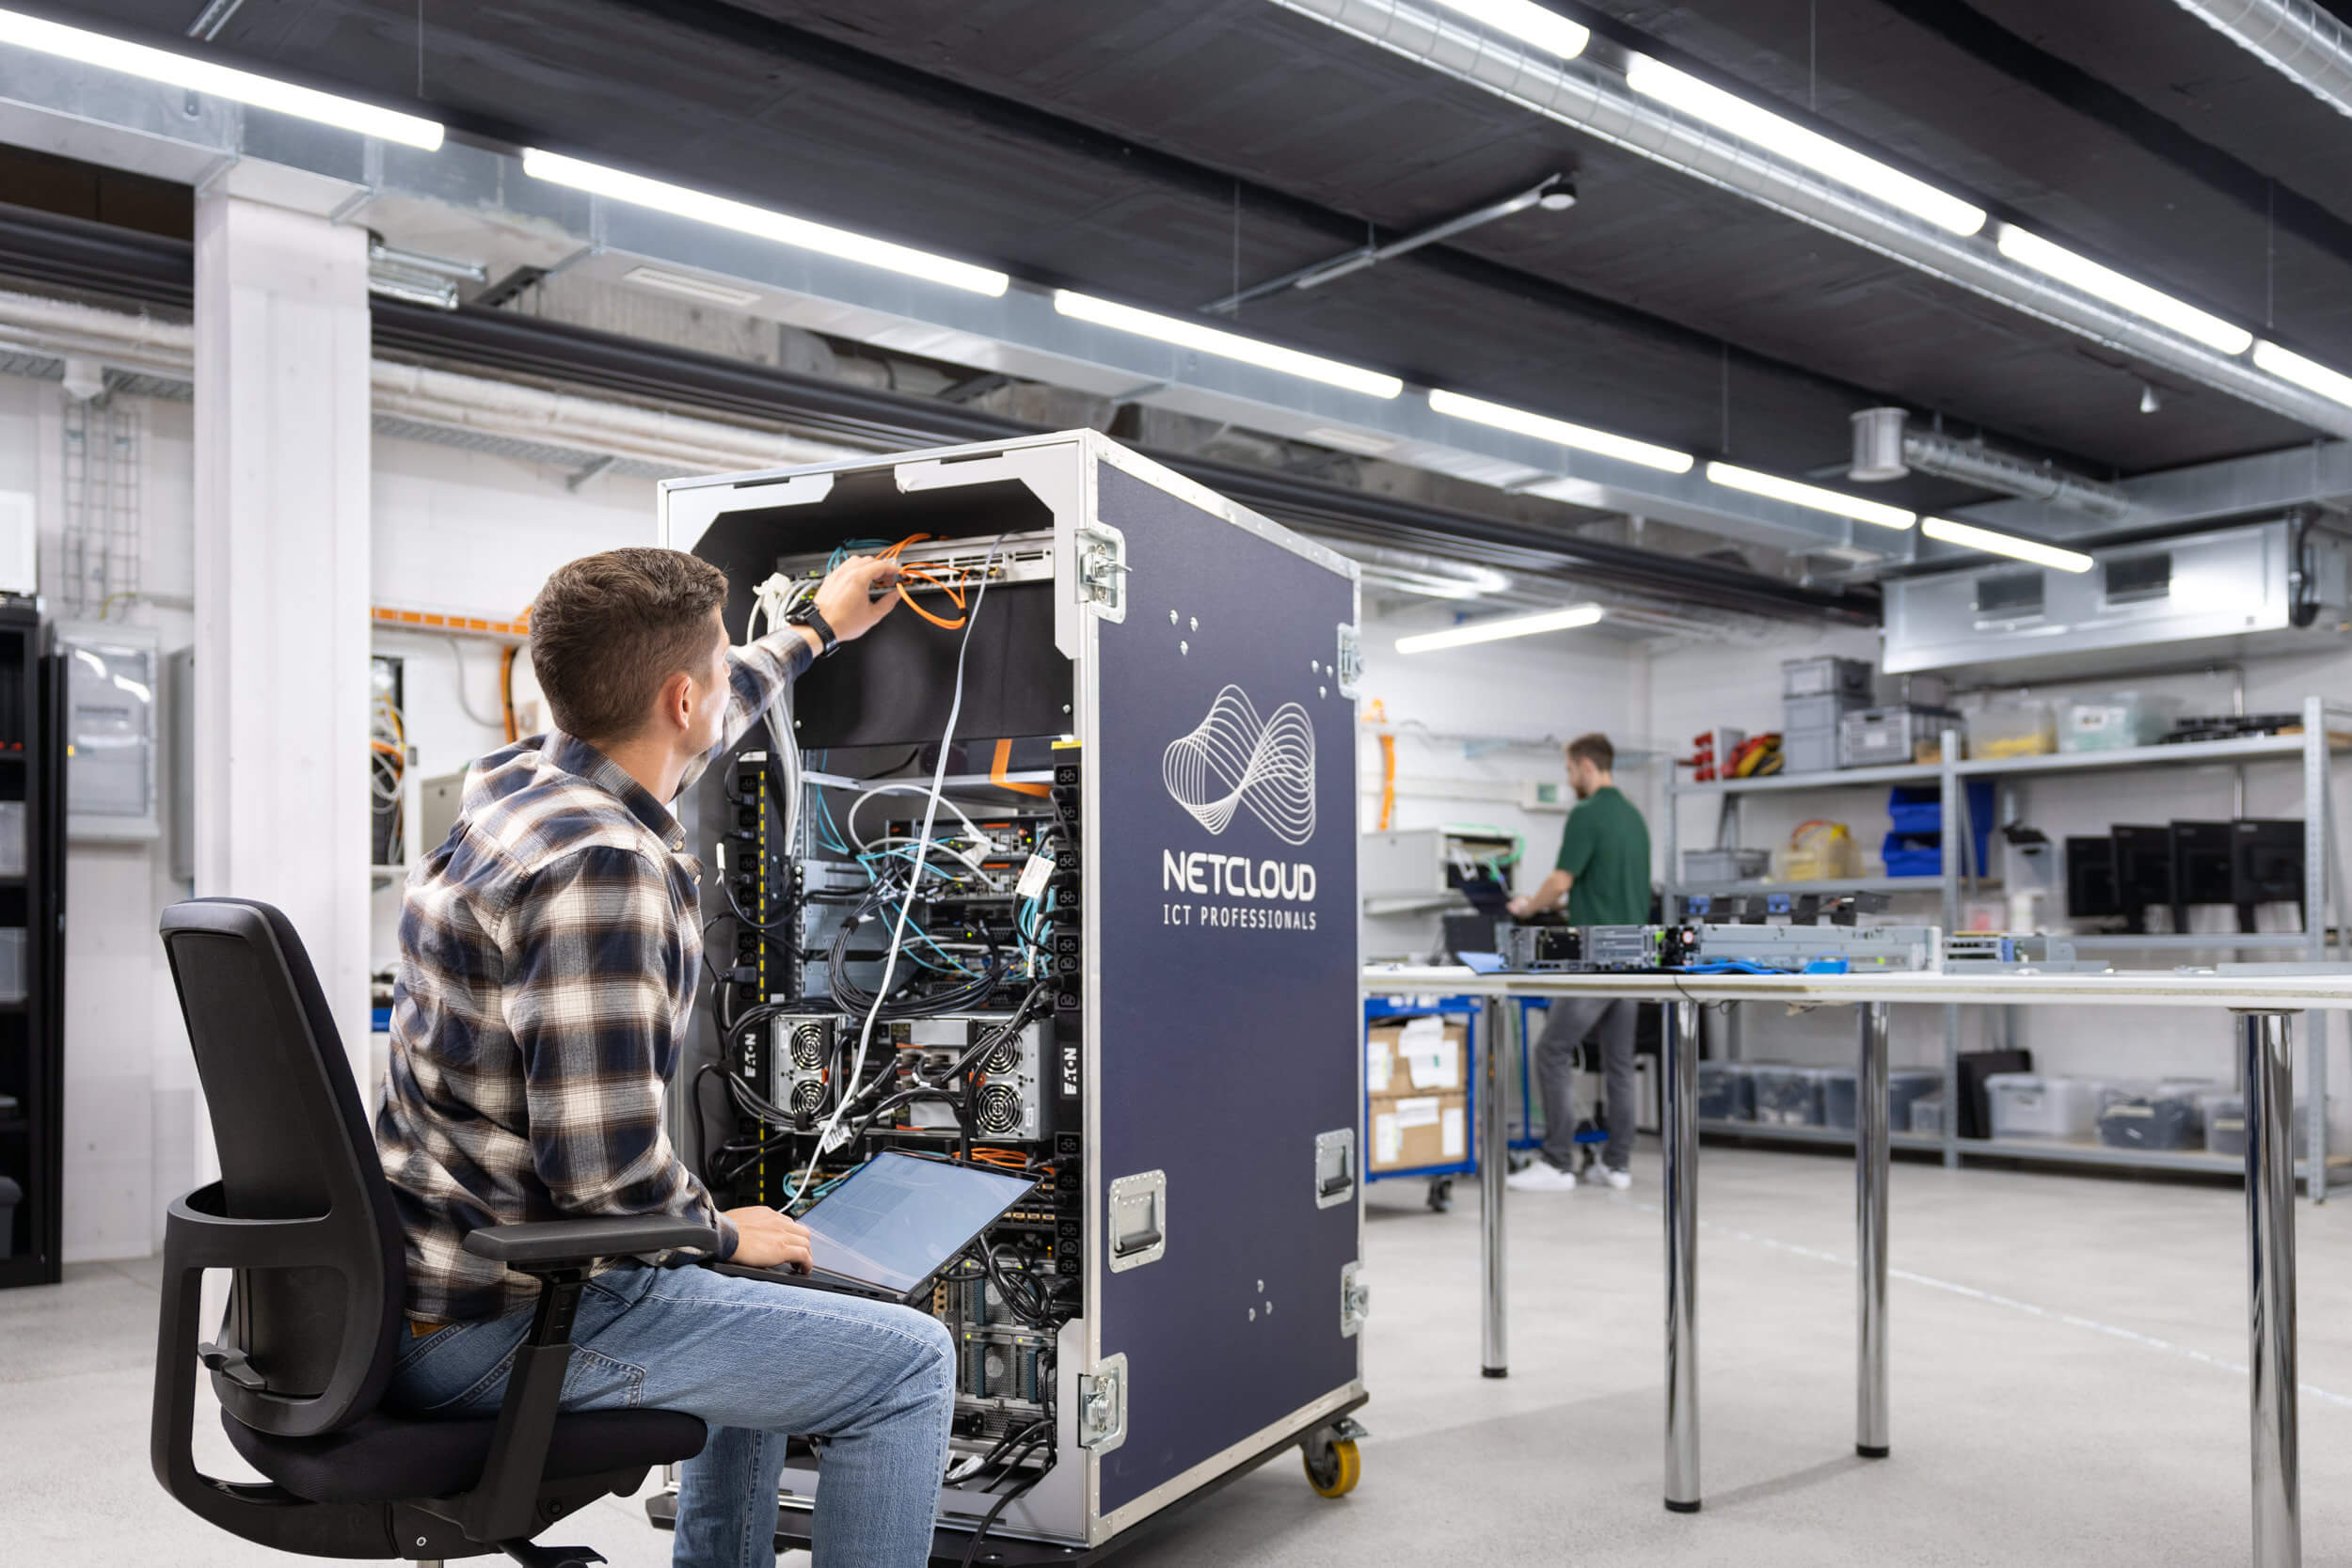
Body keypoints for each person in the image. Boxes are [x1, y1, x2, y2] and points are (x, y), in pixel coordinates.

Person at [373, 546, 949, 1568]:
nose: (727, 684)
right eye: (720, 667)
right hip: (503, 1322)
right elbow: (605, 1185)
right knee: (906, 1363)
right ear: (681, 696)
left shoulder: (511, 781)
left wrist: (815, 628)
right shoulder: (602, 867)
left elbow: (700, 711)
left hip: (425, 1288)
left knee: (778, 1304)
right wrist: (721, 1234)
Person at [1503, 733, 1653, 1193]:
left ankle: (1556, 1162)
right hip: (1633, 953)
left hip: (1595, 957)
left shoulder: (1587, 814)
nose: (1568, 780)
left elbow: (1561, 878)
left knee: (1551, 1050)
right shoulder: (1634, 817)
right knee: (1619, 1063)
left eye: (1569, 770)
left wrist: (1528, 907)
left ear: (1587, 766)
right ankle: (1617, 1164)